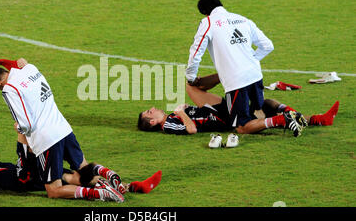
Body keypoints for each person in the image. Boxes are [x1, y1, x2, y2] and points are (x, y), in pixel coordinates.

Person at [0, 58, 130, 202]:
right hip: (63, 128)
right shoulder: (30, 69)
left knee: (54, 190)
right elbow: (22, 64)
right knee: (83, 169)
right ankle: (109, 180)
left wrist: (19, 127)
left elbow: (26, 123)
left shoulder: (9, 89)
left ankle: (100, 194)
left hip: (46, 139)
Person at [185, 0, 306, 137]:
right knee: (258, 115)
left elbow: (196, 51)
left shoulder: (208, 23)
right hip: (255, 75)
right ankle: (294, 114)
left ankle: (282, 119)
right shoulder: (242, 19)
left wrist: (191, 76)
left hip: (236, 82)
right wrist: (249, 60)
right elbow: (268, 46)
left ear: (205, 13)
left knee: (241, 127)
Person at [0, 141, 162, 199]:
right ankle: (105, 190)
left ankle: (127, 187)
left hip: (27, 174)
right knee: (66, 177)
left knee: (72, 175)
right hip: (23, 180)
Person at [138, 77, 339, 134]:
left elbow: (192, 116)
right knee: (246, 124)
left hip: (214, 111)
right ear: (154, 121)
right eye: (150, 112)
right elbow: (191, 129)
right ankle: (287, 119)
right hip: (219, 119)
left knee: (267, 103)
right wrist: (182, 112)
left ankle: (315, 119)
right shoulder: (168, 125)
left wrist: (186, 108)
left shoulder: (171, 118)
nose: (152, 108)